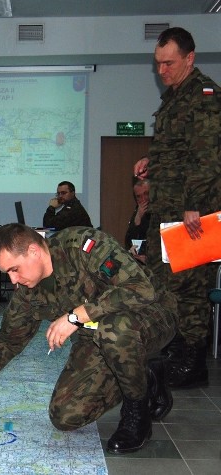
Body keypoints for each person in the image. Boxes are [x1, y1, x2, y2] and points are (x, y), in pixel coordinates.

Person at [0, 224, 177, 454]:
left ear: (34, 251)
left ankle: (137, 414)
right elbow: (8, 341)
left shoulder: (82, 246)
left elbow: (140, 289)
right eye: (7, 272)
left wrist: (76, 316)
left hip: (152, 314)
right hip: (98, 338)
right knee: (66, 415)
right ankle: (143, 373)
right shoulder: (28, 293)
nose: (13, 280)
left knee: (114, 330)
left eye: (15, 269)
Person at [133, 27, 221, 388]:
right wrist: (152, 163)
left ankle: (193, 360)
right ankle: (174, 347)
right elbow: (179, 151)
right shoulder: (173, 98)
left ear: (190, 58)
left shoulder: (204, 96)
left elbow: (207, 157)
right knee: (163, 284)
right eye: (158, 64)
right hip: (167, 210)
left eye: (168, 63)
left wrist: (194, 206)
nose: (162, 71)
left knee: (189, 287)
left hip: (190, 213)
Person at [124, 176, 151, 265]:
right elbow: (129, 242)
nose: (143, 199)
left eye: (146, 194)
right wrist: (137, 220)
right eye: (139, 197)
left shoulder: (163, 211)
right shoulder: (138, 211)